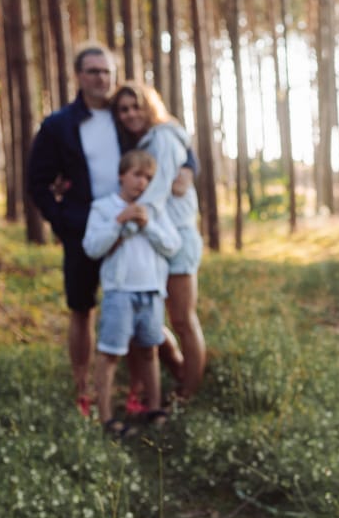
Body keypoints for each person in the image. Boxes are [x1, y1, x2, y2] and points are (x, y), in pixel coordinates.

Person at [27, 43, 124, 416]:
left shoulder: (127, 115)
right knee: (82, 309)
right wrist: (65, 222)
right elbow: (38, 182)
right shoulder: (58, 125)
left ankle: (133, 388)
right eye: (93, 71)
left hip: (127, 232)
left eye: (106, 71)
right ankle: (83, 390)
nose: (100, 78)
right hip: (82, 232)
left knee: (128, 304)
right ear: (78, 76)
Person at [109, 81, 206, 402]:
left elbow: (158, 189)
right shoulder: (142, 142)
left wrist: (127, 226)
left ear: (150, 105)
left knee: (181, 318)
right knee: (146, 314)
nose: (130, 114)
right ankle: (178, 368)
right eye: (123, 109)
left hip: (176, 235)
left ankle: (188, 393)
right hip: (154, 238)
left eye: (136, 106)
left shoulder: (163, 137)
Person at [82, 149, 180, 434]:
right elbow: (92, 248)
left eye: (149, 178)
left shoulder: (155, 210)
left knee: (149, 350)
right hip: (119, 293)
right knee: (110, 352)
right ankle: (107, 416)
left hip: (151, 292)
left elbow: (172, 246)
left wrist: (147, 225)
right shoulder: (104, 208)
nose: (142, 183)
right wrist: (119, 222)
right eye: (137, 175)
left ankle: (154, 407)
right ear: (121, 175)